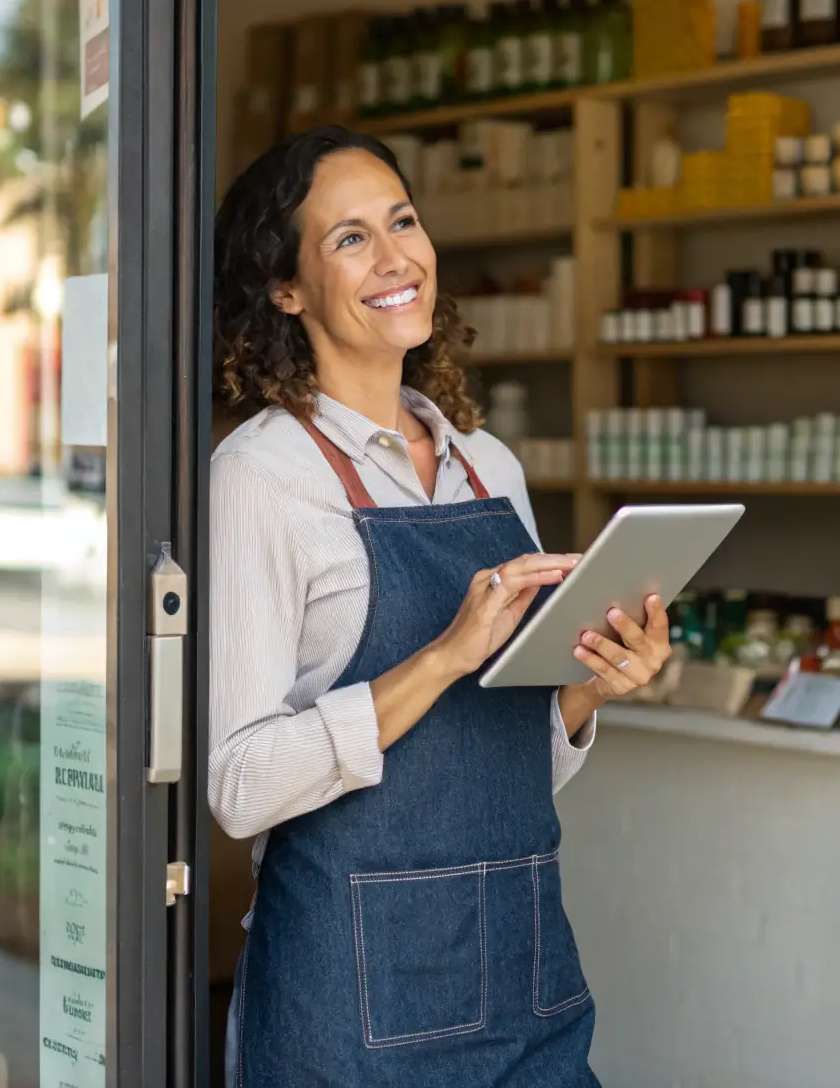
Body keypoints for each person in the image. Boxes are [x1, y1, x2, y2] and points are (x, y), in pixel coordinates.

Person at [209, 126, 671, 1087]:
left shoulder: (487, 468)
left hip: (521, 962)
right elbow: (240, 784)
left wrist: (590, 688)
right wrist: (442, 657)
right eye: (348, 238)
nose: (394, 257)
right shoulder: (261, 475)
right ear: (285, 290)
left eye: (403, 221)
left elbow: (505, 760)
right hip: (348, 985)